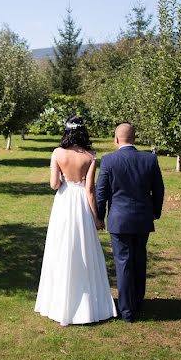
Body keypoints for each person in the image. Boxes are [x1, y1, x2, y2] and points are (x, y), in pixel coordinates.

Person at [34, 116, 118, 325]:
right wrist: (97, 217)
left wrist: (62, 178)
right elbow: (90, 190)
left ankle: (58, 303)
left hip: (63, 203)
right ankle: (88, 303)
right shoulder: (91, 156)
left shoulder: (57, 153)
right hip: (80, 203)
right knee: (83, 249)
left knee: (61, 248)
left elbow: (54, 184)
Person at [95, 122, 165, 323]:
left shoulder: (109, 160)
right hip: (142, 218)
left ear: (116, 139)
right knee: (139, 259)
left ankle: (127, 311)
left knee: (123, 263)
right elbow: (159, 190)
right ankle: (138, 301)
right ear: (134, 138)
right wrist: (154, 212)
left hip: (119, 220)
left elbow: (101, 192)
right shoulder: (149, 159)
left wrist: (99, 216)